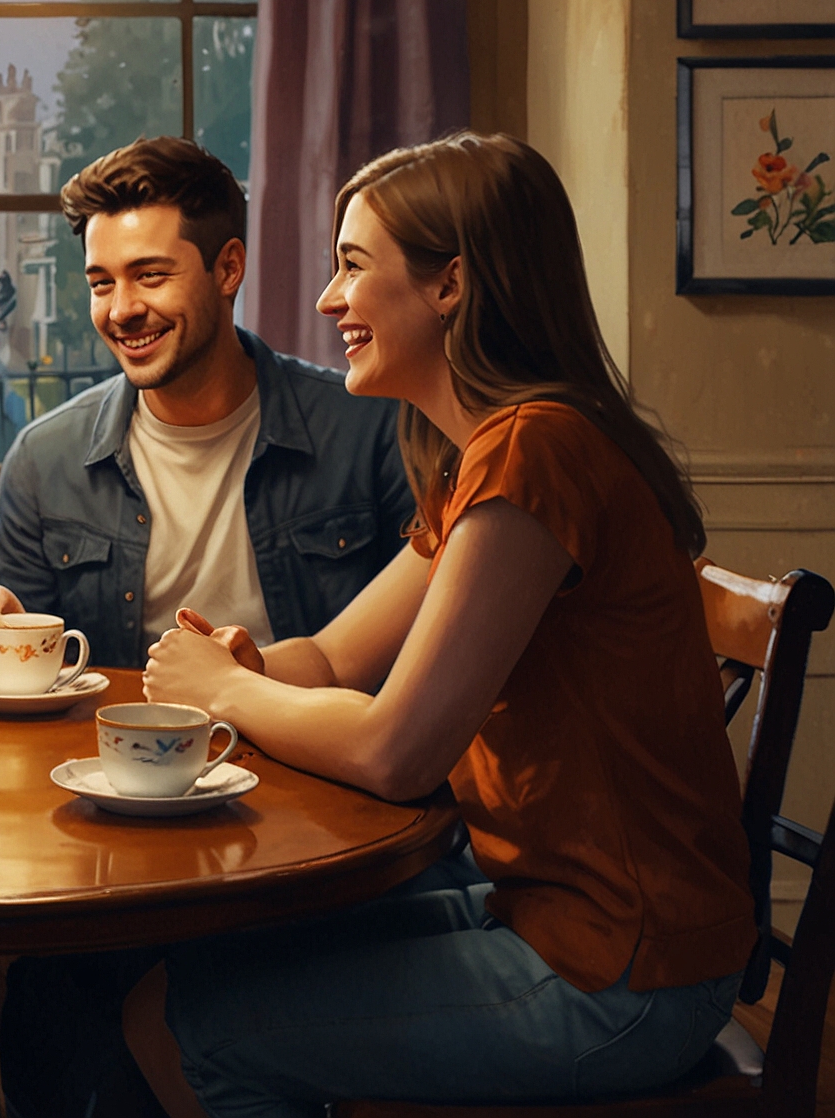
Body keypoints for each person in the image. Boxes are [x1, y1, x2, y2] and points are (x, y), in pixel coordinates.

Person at [112, 133, 754, 1116]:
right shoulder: (494, 453)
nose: (328, 300)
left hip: (621, 974)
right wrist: (245, 666)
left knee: (201, 1025)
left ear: (449, 285)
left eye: (352, 266)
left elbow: (395, 752)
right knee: (176, 984)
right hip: (568, 922)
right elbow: (333, 656)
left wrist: (229, 691)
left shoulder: (535, 453)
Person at [0, 135, 414, 672]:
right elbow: (25, 673)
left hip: (305, 750)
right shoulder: (42, 459)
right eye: (102, 283)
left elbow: (415, 661)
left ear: (229, 269)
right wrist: (2, 616)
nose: (121, 310)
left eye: (150, 275)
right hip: (110, 751)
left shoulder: (372, 431)